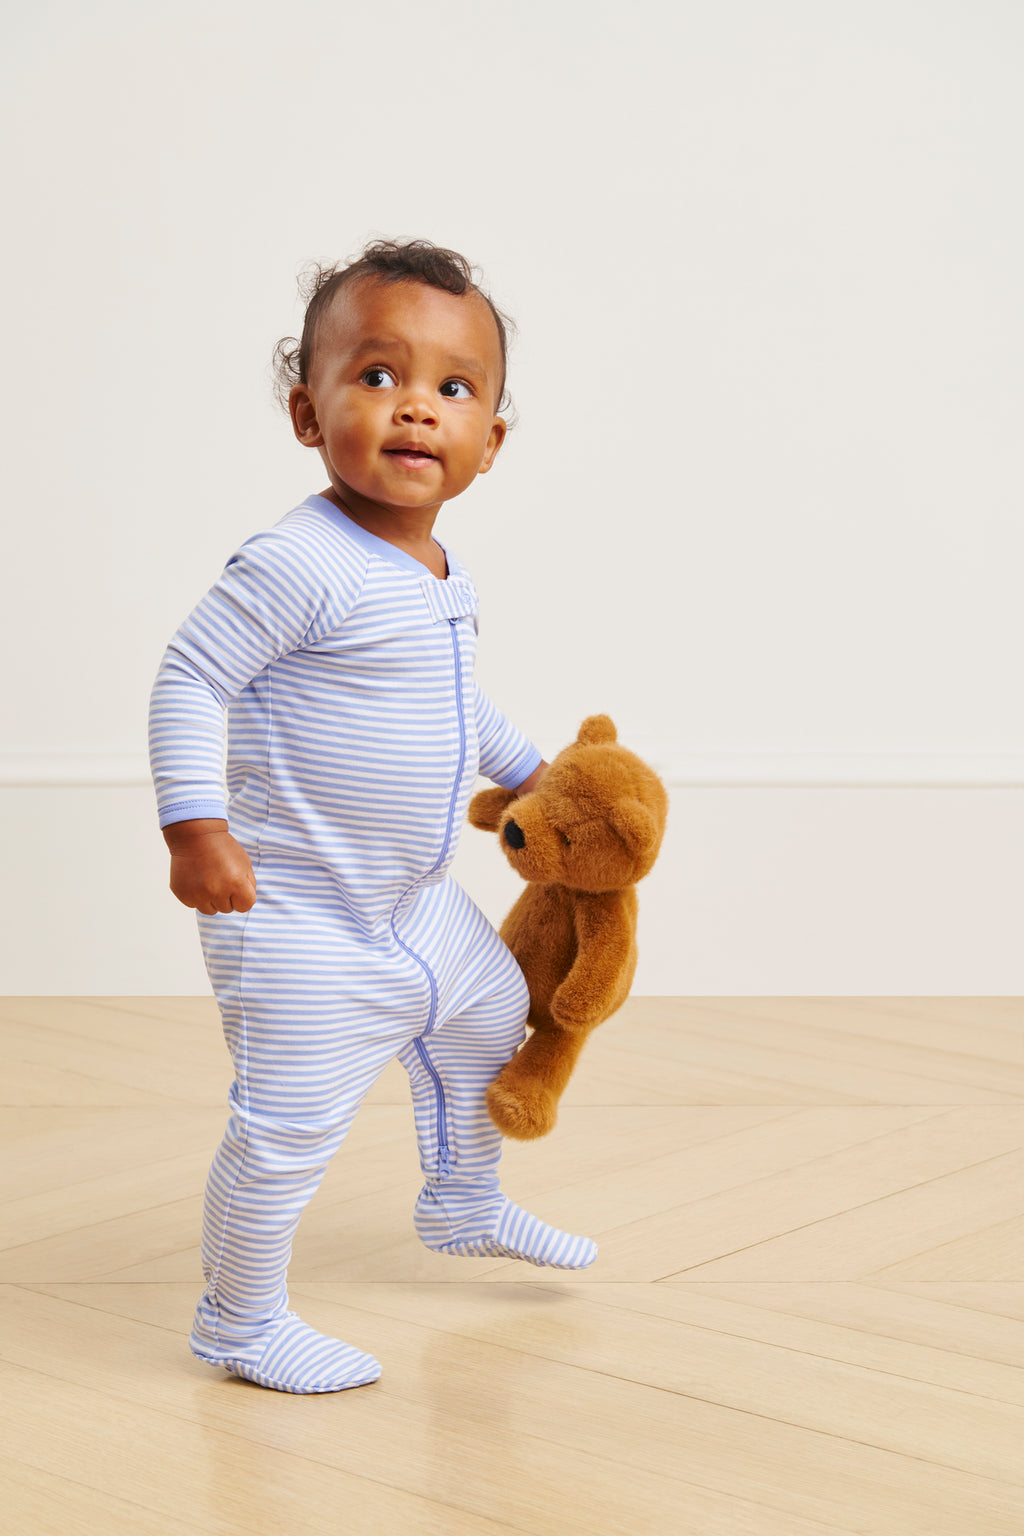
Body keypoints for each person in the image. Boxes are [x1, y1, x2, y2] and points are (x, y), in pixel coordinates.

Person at [148, 239, 597, 1396]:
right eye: (377, 376)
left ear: (488, 443)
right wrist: (195, 826)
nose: (414, 408)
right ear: (309, 412)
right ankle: (240, 1319)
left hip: (406, 900)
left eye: (452, 388)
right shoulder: (302, 561)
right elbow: (191, 678)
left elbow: (456, 702)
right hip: (294, 910)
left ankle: (461, 1198)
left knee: (493, 1010)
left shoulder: (437, 568)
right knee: (286, 1128)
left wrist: (541, 774)